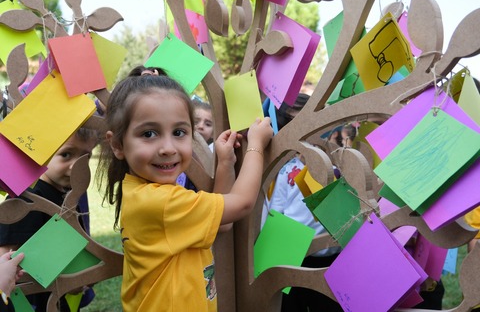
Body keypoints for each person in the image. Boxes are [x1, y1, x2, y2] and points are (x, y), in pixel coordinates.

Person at [96, 66, 273, 312]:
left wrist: (224, 164)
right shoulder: (161, 203)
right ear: (117, 145)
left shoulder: (142, 191)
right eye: (149, 133)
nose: (168, 147)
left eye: (179, 132)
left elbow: (222, 223)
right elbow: (242, 203)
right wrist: (256, 145)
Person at [0, 127, 99, 312]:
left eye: (85, 157)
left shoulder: (69, 196)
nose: (75, 166)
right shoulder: (27, 199)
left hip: (60, 300)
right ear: (43, 154)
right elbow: (4, 258)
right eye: (66, 154)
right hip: (32, 302)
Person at [262, 93, 343, 312]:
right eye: (294, 123)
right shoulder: (290, 168)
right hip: (290, 260)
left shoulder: (320, 165)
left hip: (301, 261)